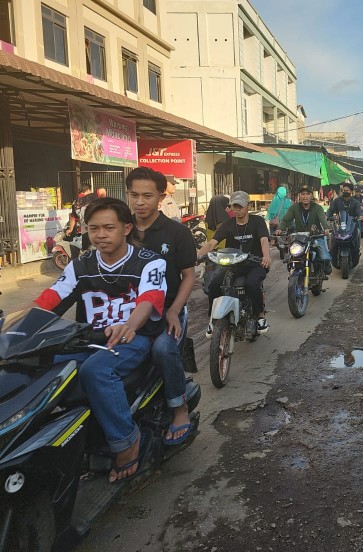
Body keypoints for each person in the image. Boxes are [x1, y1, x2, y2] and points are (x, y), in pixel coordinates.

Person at [34, 197, 167, 482]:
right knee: (40, 366)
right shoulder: (80, 264)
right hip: (88, 339)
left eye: (109, 227)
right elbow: (51, 298)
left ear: (127, 228)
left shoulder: (150, 262)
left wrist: (130, 324)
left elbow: (150, 298)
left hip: (133, 338)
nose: (101, 235)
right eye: (94, 229)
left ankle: (126, 440)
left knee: (96, 370)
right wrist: (19, 324)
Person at [126, 167, 196, 446]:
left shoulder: (176, 232)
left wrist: (173, 310)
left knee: (163, 349)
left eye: (147, 195)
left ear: (160, 197)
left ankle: (179, 409)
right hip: (129, 311)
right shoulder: (122, 228)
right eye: (134, 195)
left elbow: (188, 276)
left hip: (167, 310)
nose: (140, 202)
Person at [197, 191, 271, 335]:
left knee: (252, 284)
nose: (237, 210)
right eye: (234, 206)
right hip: (233, 264)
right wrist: (198, 255)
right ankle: (212, 320)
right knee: (214, 285)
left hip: (255, 263)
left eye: (240, 206)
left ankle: (260, 316)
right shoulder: (228, 224)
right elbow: (212, 243)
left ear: (248, 206)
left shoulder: (258, 221)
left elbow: (264, 240)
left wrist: (266, 256)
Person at [275, 184, 333, 271]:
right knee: (291, 256)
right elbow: (286, 220)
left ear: (311, 196)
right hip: (300, 239)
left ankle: (326, 265)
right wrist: (280, 228)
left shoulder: (318, 208)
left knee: (325, 257)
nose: (305, 196)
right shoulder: (294, 207)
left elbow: (323, 220)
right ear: (299, 196)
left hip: (315, 236)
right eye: (302, 194)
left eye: (307, 194)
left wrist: (326, 228)